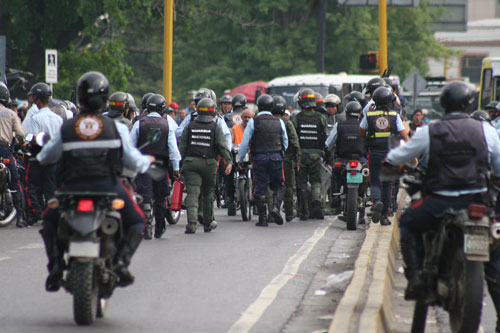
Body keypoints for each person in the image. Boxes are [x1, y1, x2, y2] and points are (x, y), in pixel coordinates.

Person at [385, 81, 500, 304]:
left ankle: (417, 277)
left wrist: (391, 164)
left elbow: (397, 157)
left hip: (439, 202)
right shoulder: (486, 130)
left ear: (443, 103)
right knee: (495, 247)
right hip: (477, 202)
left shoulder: (430, 130)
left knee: (407, 221)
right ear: (469, 104)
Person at [38, 71, 152, 291]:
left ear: (80, 97)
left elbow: (46, 157)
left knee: (49, 220)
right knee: (138, 221)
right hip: (107, 188)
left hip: (71, 189)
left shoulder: (67, 126)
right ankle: (120, 262)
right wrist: (147, 162)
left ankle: (55, 266)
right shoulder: (116, 127)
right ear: (104, 98)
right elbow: (132, 160)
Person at [130, 93, 181, 240]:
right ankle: (159, 228)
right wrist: (176, 168)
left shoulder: (139, 123)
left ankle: (147, 229)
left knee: (145, 196)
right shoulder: (168, 124)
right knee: (161, 197)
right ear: (163, 108)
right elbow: (173, 149)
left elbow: (131, 146)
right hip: (161, 166)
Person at [179, 98, 232, 233]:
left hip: (190, 163)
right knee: (208, 193)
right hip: (209, 164)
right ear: (213, 112)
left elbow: (182, 147)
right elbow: (222, 146)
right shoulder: (215, 127)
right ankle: (208, 223)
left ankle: (192, 224)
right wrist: (229, 161)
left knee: (192, 193)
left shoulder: (189, 126)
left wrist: (180, 164)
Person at [359, 86, 409, 225]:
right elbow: (404, 134)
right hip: (390, 154)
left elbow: (361, 131)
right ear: (389, 101)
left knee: (374, 181)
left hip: (374, 153)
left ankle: (377, 202)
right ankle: (384, 217)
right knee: (388, 184)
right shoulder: (395, 115)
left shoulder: (369, 115)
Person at [238, 94, 288, 226]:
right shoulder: (280, 121)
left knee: (260, 187)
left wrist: (241, 158)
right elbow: (285, 142)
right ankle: (276, 208)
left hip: (259, 157)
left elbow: (244, 143)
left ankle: (263, 218)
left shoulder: (254, 121)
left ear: (258, 107)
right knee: (280, 184)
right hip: (276, 156)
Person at [24, 82, 63, 226]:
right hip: (55, 158)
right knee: (51, 188)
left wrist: (28, 140)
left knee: (32, 187)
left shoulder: (36, 118)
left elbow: (34, 139)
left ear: (38, 100)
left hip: (38, 157)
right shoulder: (58, 119)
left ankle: (38, 213)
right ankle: (52, 215)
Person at [326, 101, 367, 218]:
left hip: (343, 161)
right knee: (368, 177)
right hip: (361, 161)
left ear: (346, 113)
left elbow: (328, 143)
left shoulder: (339, 125)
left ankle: (335, 198)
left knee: (335, 174)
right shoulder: (364, 126)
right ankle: (367, 196)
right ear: (359, 114)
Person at [292, 88, 327, 220]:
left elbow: (293, 138)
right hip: (316, 155)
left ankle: (304, 211)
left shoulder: (297, 118)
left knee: (302, 183)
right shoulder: (321, 118)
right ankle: (316, 201)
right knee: (316, 181)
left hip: (301, 156)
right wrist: (327, 156)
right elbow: (325, 138)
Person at [0, 82, 26, 227]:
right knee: (15, 182)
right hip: (4, 150)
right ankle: (21, 217)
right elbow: (21, 134)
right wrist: (22, 143)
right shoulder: (10, 113)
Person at [274, 95, 300, 222]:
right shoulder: (287, 122)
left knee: (270, 185)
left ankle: (271, 212)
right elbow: (295, 142)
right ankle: (289, 213)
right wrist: (297, 158)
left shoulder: (264, 121)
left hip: (271, 157)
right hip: (286, 158)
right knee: (288, 185)